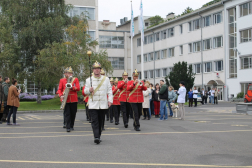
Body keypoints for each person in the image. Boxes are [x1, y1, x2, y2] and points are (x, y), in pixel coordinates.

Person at [84, 61, 113, 144]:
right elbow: (85, 91)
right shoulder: (88, 80)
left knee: (101, 121)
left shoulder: (106, 79)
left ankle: (98, 135)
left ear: (100, 70)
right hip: (93, 104)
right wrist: (89, 90)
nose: (97, 70)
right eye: (95, 69)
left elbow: (109, 90)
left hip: (103, 104)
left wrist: (110, 100)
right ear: (93, 70)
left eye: (98, 69)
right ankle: (96, 137)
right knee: (95, 121)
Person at [58, 67, 80, 132]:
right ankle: (68, 126)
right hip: (66, 99)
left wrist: (72, 87)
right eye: (68, 73)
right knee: (67, 113)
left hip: (73, 99)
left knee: (73, 113)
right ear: (65, 74)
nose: (70, 74)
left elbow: (78, 88)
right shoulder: (62, 80)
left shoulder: (75, 79)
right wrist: (61, 95)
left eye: (71, 73)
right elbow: (60, 89)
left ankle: (71, 125)